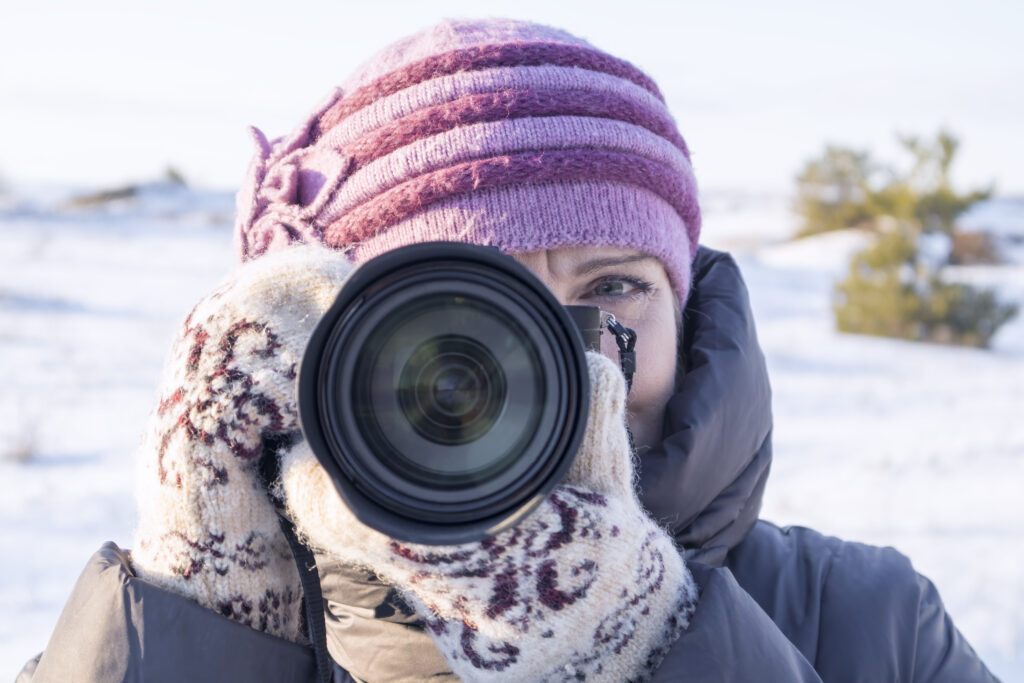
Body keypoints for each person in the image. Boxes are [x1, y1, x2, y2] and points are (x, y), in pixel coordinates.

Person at [20, 18, 998, 683]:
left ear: (685, 309)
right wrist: (194, 622)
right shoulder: (228, 605)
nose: (557, 366)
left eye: (612, 288)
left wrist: (648, 642)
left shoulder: (866, 624)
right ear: (320, 348)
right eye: (470, 319)